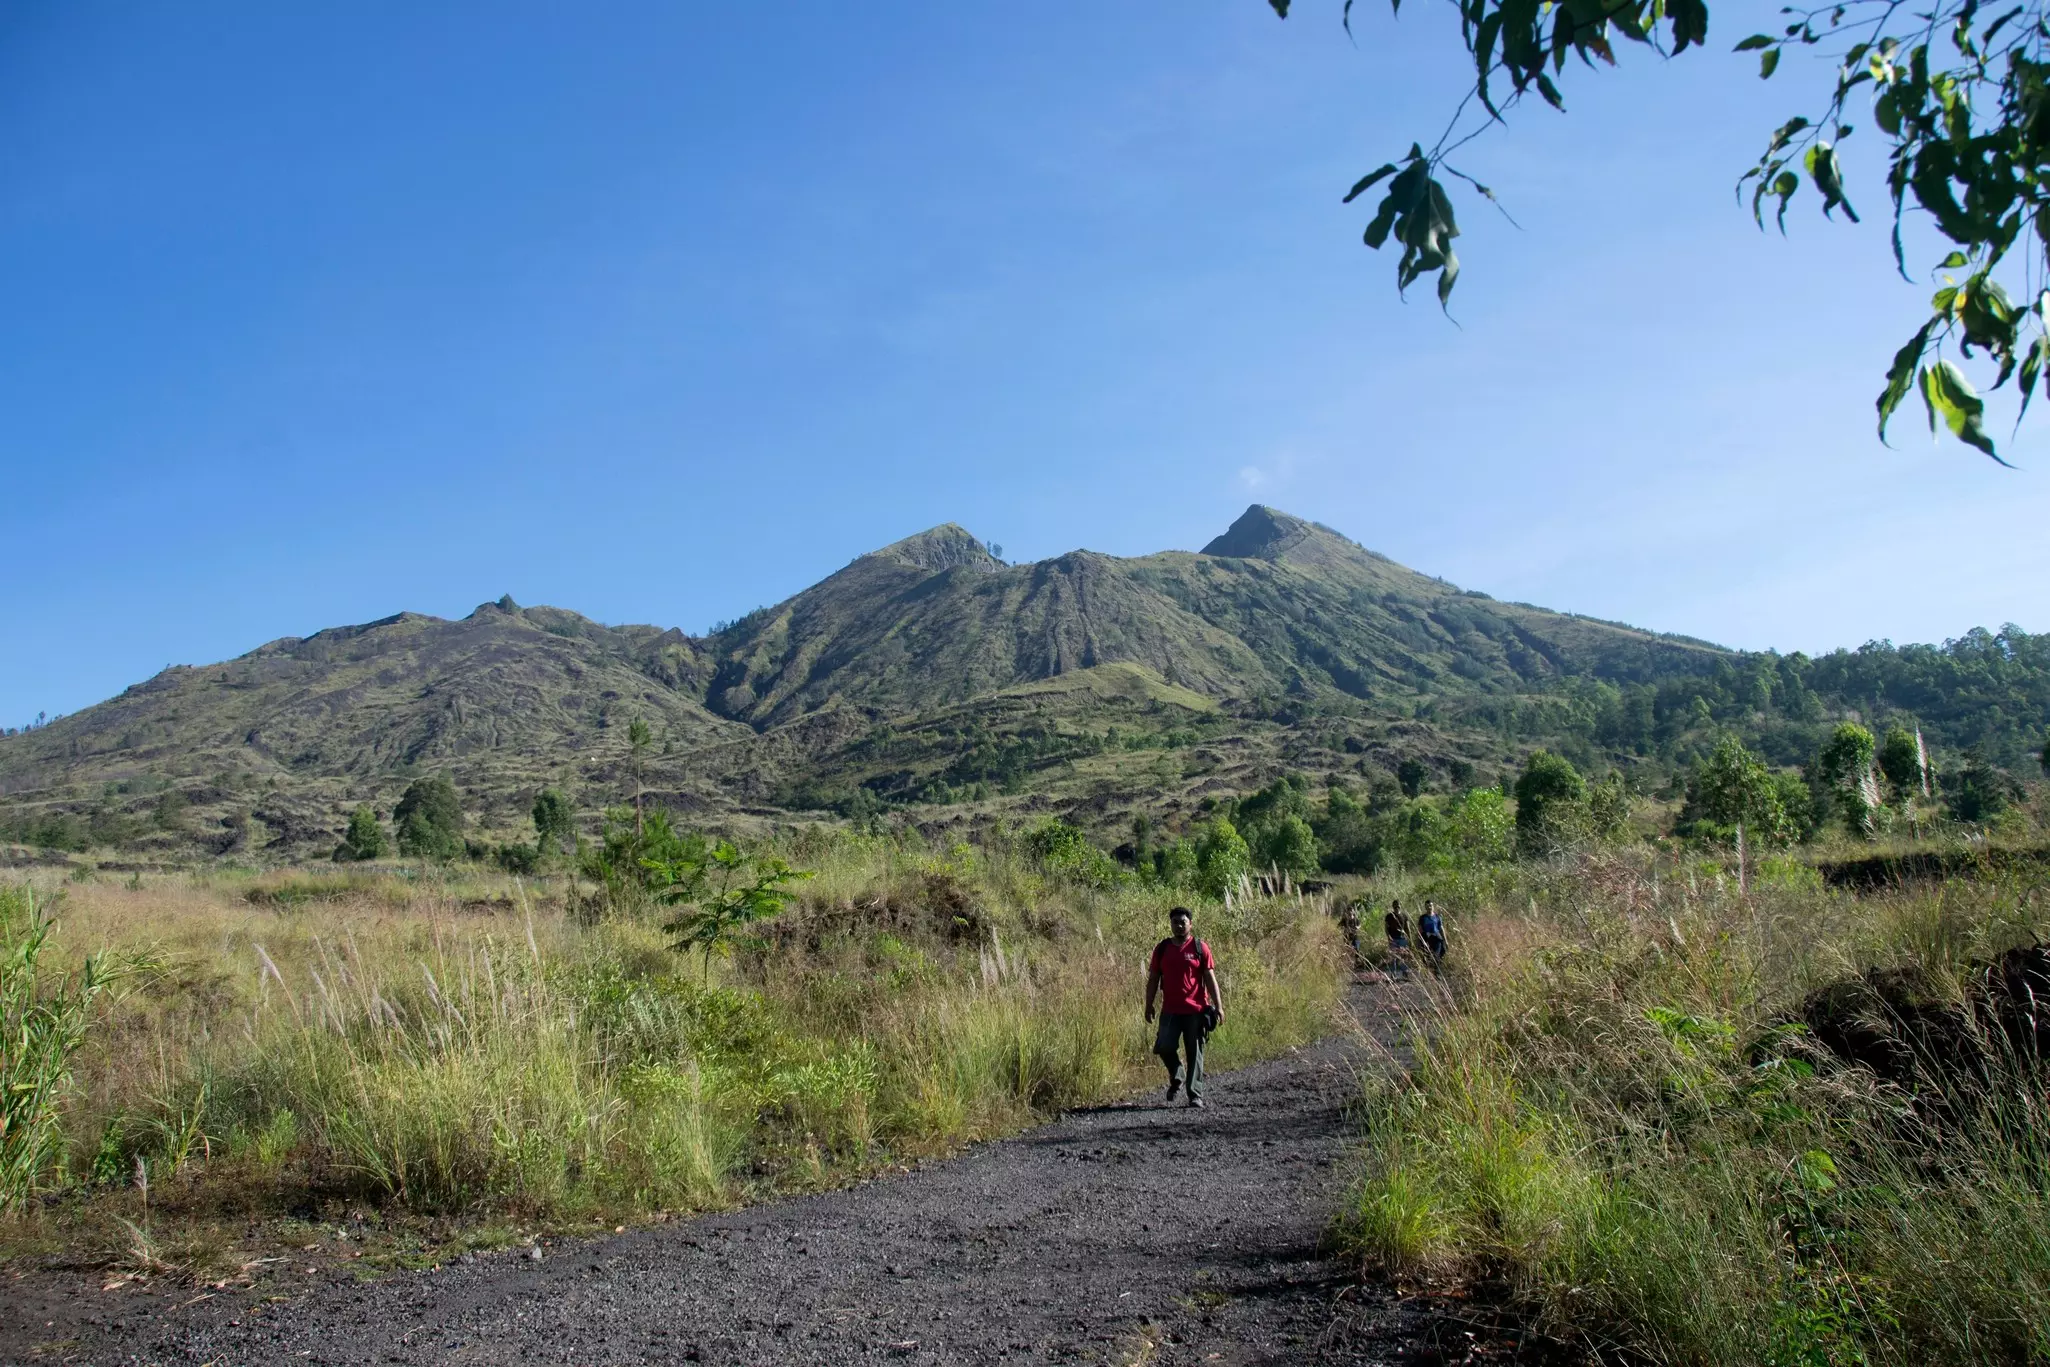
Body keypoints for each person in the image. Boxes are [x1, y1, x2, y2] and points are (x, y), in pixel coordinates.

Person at [1144, 906, 1223, 1108]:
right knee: (1163, 1046)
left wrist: (1219, 1006)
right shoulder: (1162, 949)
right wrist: (1149, 1004)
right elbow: (1153, 978)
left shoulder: (1200, 948)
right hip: (1170, 1009)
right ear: (1170, 924)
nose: (1179, 926)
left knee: (1195, 1052)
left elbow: (1210, 978)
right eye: (1175, 922)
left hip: (1196, 1010)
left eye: (1183, 922)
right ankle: (1177, 1074)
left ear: (1190, 924)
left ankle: (1195, 1094)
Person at [1383, 898, 1412, 981]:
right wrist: (1388, 936)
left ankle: (1405, 973)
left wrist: (1409, 939)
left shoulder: (1404, 916)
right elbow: (1386, 927)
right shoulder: (1389, 916)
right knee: (1393, 957)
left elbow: (1407, 928)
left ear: (1400, 906)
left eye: (1398, 906)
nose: (1397, 908)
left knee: (1403, 956)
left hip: (1402, 938)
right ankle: (1393, 974)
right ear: (1393, 907)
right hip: (1393, 939)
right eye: (1395, 907)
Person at [1417, 899, 1447, 972]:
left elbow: (1441, 928)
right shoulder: (1423, 918)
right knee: (1427, 957)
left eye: (1430, 905)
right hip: (1427, 939)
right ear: (1425, 907)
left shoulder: (1437, 917)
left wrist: (1445, 940)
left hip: (1437, 939)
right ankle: (1429, 974)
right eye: (1427, 906)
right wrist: (1419, 941)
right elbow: (1420, 930)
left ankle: (1437, 974)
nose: (1429, 907)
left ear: (1433, 906)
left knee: (1437, 956)